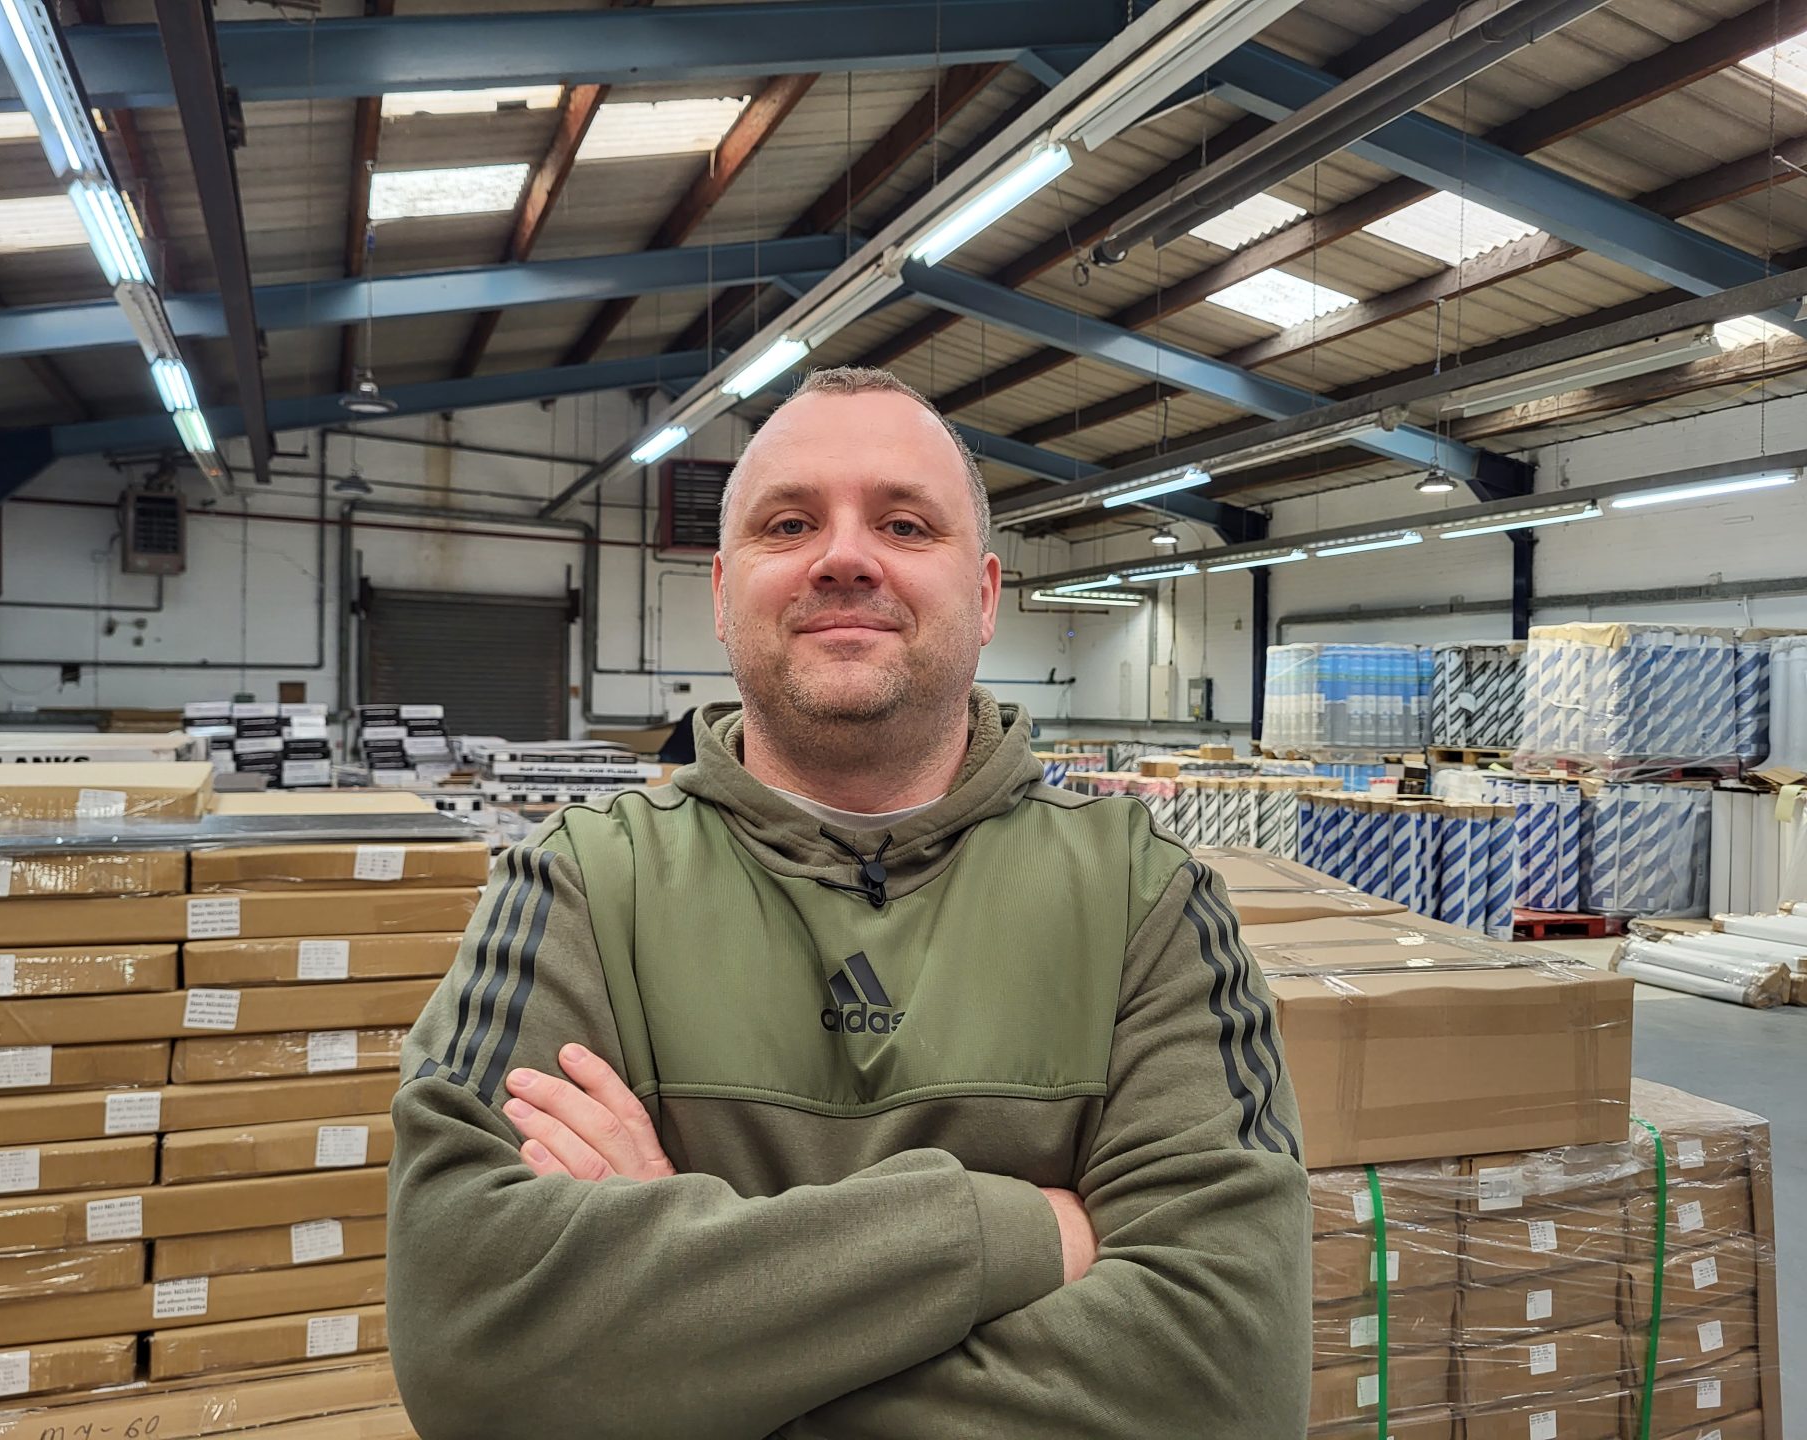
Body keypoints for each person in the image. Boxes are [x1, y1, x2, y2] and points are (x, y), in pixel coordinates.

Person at [386, 366, 1312, 1439]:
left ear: (985, 596)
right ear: (722, 595)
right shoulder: (582, 882)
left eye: (905, 524)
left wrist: (677, 1355)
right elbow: (471, 1339)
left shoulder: (1142, 895)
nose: (843, 557)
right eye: (790, 524)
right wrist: (1004, 1233)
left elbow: (1224, 1382)